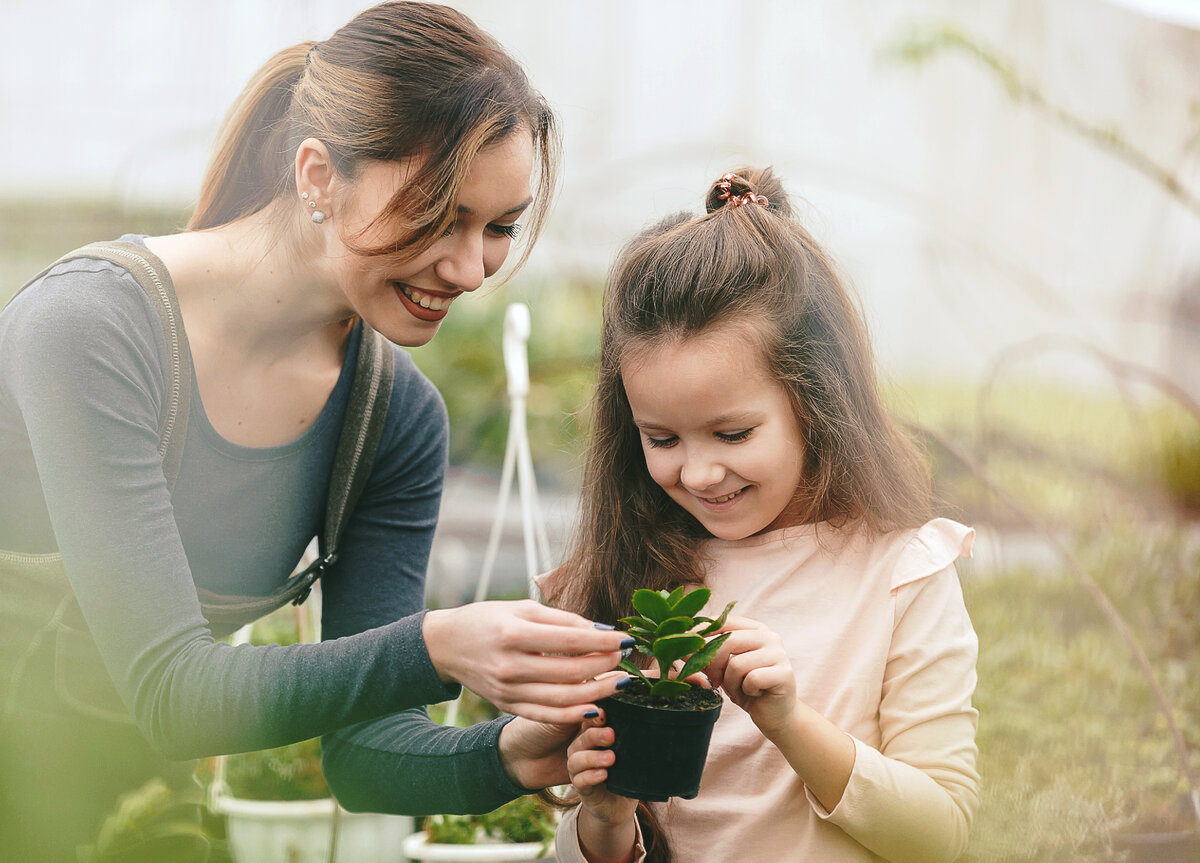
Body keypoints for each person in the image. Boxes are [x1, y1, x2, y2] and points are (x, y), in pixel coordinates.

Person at [0, 4, 633, 861]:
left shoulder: (391, 418)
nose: (471, 267)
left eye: (498, 227)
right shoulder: (93, 328)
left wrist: (507, 753)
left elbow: (369, 759)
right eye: (444, 213)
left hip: (135, 813)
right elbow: (172, 691)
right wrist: (440, 643)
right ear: (317, 176)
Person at [538, 168, 981, 863]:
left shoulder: (902, 576)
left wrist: (790, 723)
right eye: (662, 438)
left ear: (816, 401)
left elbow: (941, 834)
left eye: (734, 434)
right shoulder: (623, 572)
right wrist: (603, 816)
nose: (699, 472)